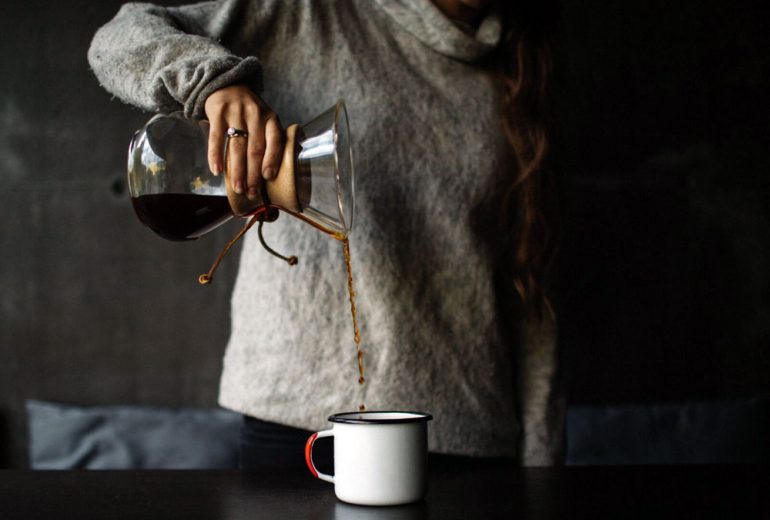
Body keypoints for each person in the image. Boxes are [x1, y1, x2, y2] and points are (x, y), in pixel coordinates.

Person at [89, 0, 564, 467]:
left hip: (470, 431)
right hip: (296, 417)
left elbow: (533, 290)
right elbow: (119, 37)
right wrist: (212, 82)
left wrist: (542, 467)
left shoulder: (524, 67)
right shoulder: (309, 12)